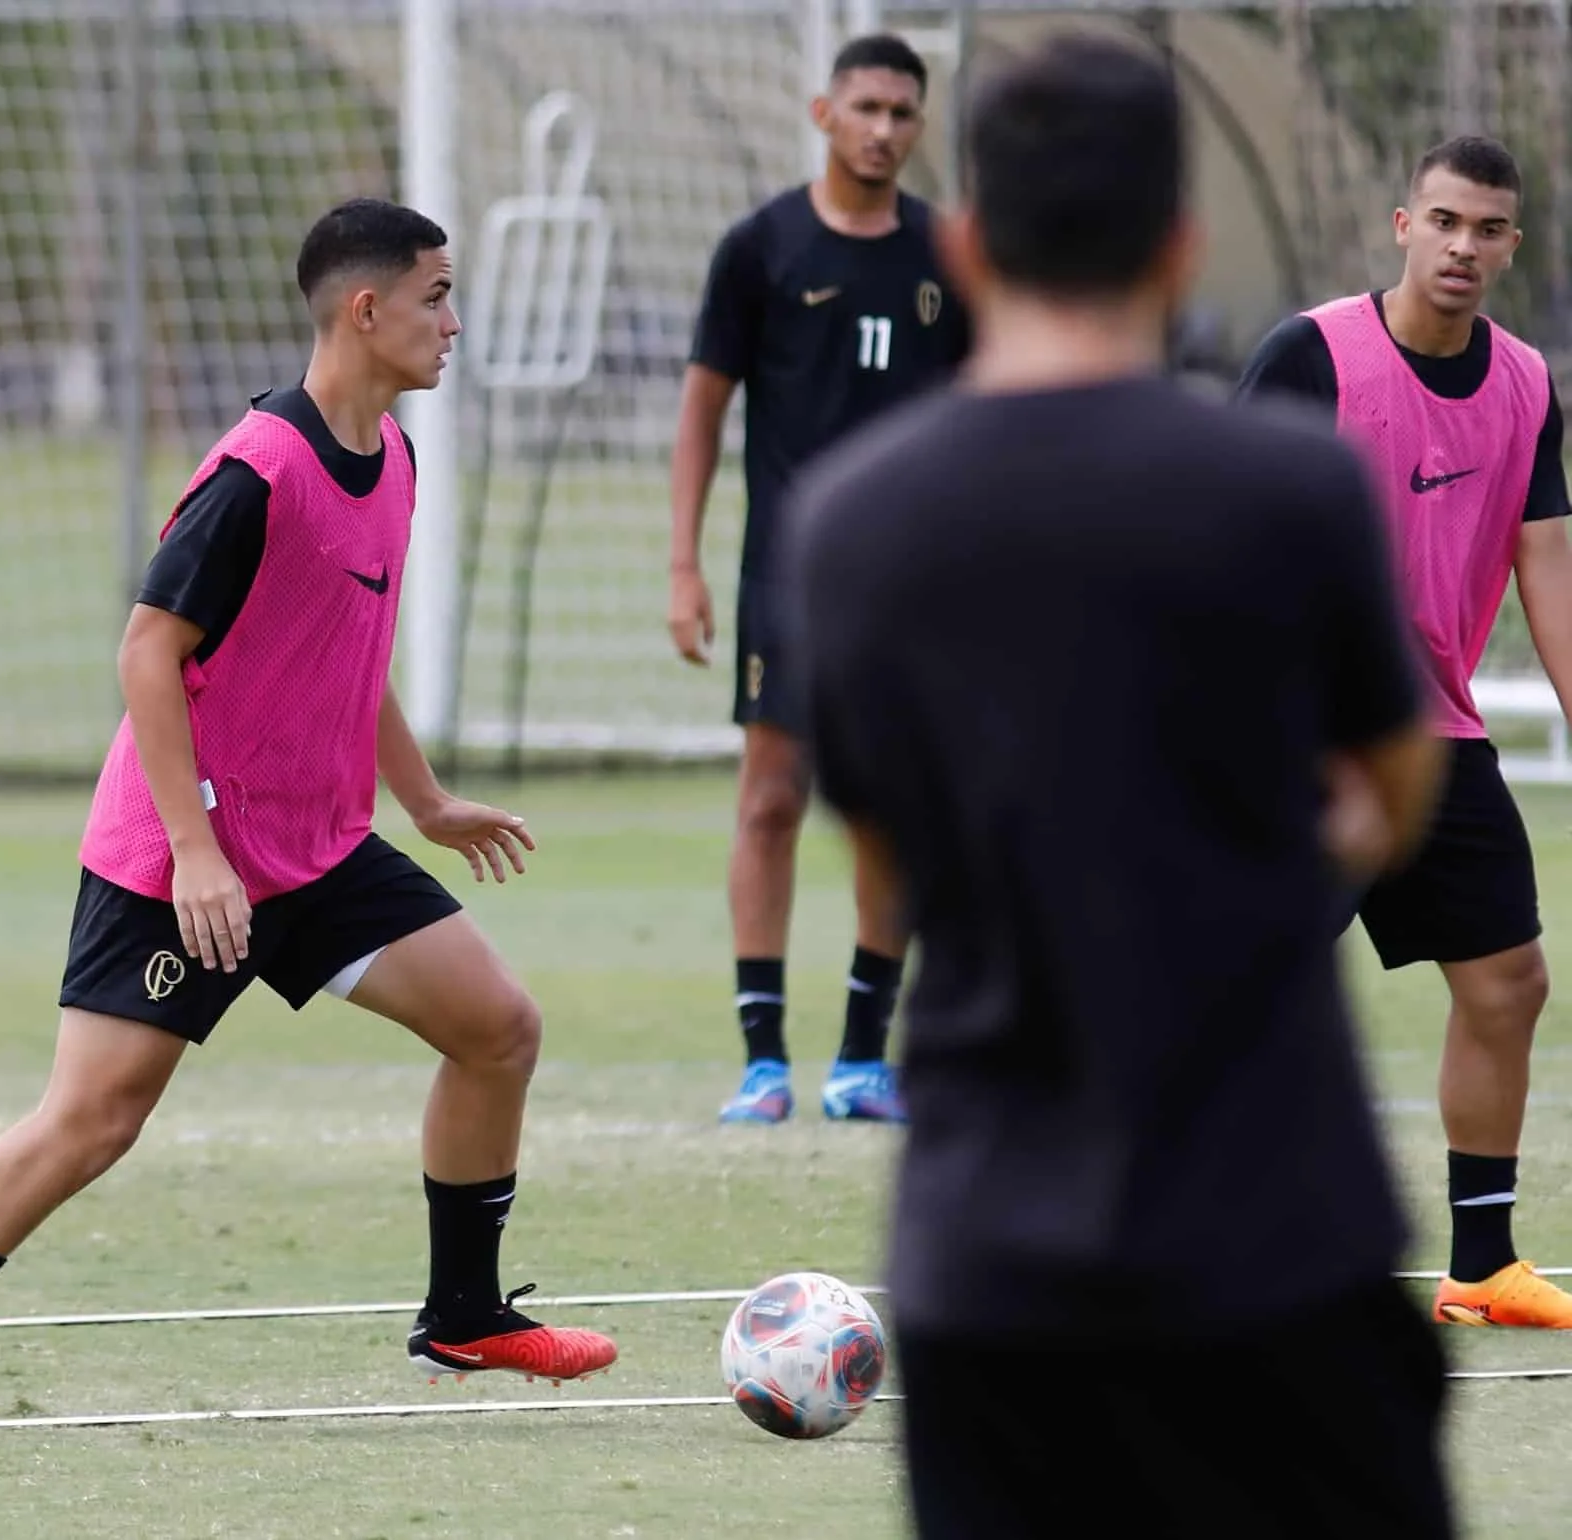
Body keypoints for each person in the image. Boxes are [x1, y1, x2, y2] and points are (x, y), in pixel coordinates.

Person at [787, 33, 1454, 1537]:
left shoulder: (850, 524)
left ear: (965, 244)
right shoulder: (1292, 488)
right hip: (1277, 1237)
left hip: (988, 1269)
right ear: (1179, 244)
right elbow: (1394, 786)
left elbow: (884, 848)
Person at [0, 198, 617, 1441]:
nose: (453, 322)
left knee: (497, 1027)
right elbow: (147, 650)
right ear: (366, 309)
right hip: (178, 858)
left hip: (315, 848)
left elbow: (344, 646)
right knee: (94, 1120)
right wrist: (194, 851)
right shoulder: (257, 471)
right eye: (436, 296)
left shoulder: (394, 461)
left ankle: (462, 1313)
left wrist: (423, 800)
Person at [1236, 134, 1572, 1329]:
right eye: (1442, 221)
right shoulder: (1308, 357)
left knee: (1506, 980)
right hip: (1299, 735)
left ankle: (1480, 1263)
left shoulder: (1525, 385)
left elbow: (1546, 563)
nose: (1460, 246)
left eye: (1485, 229)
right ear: (1400, 225)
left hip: (1429, 730)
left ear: (1510, 245)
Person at [668, 31, 971, 1126]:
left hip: (916, 589)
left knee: (888, 810)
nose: (882, 129)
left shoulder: (949, 254)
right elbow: (703, 410)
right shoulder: (760, 248)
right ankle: (763, 1061)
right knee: (771, 797)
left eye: (901, 112)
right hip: (789, 580)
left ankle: (860, 1058)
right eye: (865, 108)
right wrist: (683, 564)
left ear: (919, 126)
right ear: (822, 114)